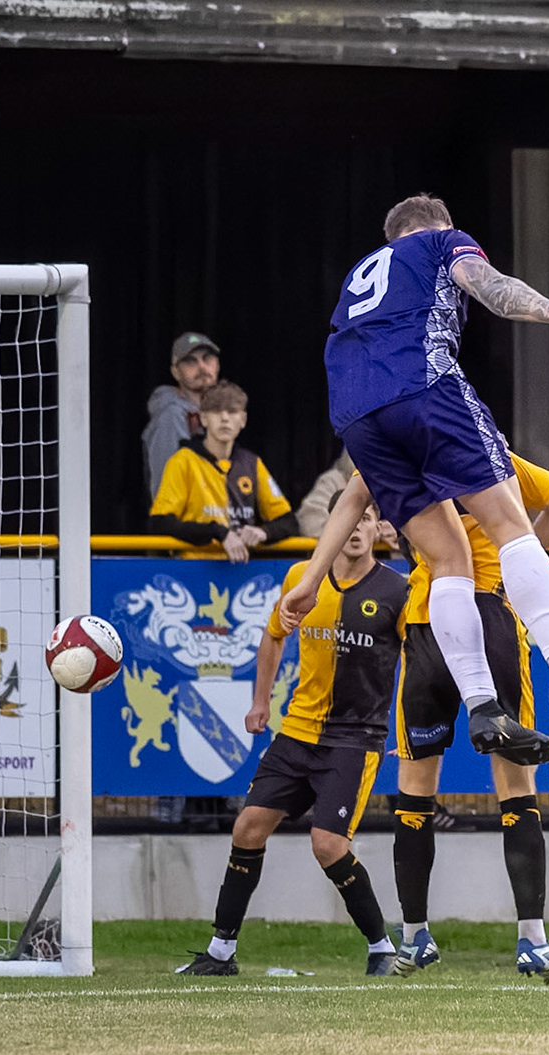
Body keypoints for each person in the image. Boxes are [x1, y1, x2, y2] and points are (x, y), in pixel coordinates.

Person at [307, 192, 549, 767]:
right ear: (435, 228)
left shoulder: (358, 278)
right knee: (510, 526)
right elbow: (490, 286)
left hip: (355, 417)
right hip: (423, 387)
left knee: (449, 560)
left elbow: (351, 498)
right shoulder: (440, 242)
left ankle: (482, 708)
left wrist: (308, 580)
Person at [381, 452, 549, 983]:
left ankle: (413, 937)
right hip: (491, 615)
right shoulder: (491, 454)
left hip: (429, 622)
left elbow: (363, 499)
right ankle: (533, 942)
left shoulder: (402, 454)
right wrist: (514, 557)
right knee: (516, 786)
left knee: (415, 785)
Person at [177, 500, 406, 977]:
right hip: (298, 730)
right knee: (248, 828)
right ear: (333, 526)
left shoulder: (397, 589)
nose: (357, 529)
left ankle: (383, 947)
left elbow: (418, 662)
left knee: (328, 845)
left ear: (378, 528)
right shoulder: (304, 577)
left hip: (355, 737)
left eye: (366, 520)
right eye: (350, 519)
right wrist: (260, 702)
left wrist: (402, 726)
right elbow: (275, 634)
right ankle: (221, 953)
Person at [146, 381, 298, 560]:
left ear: (243, 420)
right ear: (203, 418)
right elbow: (161, 522)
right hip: (192, 570)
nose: (224, 418)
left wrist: (263, 532)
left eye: (232, 411)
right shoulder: (183, 460)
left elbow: (289, 522)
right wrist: (218, 532)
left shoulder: (252, 463)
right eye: (216, 411)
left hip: (241, 571)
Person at [142, 332, 219, 499]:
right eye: (190, 361)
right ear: (176, 372)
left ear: (217, 365)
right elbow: (167, 487)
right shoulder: (171, 415)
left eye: (207, 358)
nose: (202, 367)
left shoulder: (219, 415)